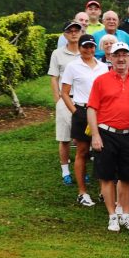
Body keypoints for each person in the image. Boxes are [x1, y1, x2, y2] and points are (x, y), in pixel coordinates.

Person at [87, 42, 129, 233]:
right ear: (110, 58)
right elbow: (92, 109)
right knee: (106, 177)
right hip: (106, 133)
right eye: (117, 55)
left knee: (128, 176)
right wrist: (95, 135)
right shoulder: (101, 80)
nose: (121, 58)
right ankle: (112, 216)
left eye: (124, 55)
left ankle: (125, 214)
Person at [60, 33, 108, 206]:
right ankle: (82, 192)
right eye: (85, 46)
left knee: (102, 152)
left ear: (95, 48)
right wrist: (75, 112)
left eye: (91, 46)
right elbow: (64, 92)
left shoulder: (103, 67)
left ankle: (104, 190)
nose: (88, 50)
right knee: (83, 151)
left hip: (101, 112)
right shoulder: (73, 66)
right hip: (82, 109)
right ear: (79, 48)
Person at [49, 20, 82, 185]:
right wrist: (57, 100)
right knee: (64, 138)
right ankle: (65, 171)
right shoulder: (57, 53)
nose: (74, 33)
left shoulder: (86, 52)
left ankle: (80, 170)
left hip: (82, 100)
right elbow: (54, 78)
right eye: (70, 31)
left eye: (77, 30)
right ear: (65, 34)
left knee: (81, 138)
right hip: (65, 99)